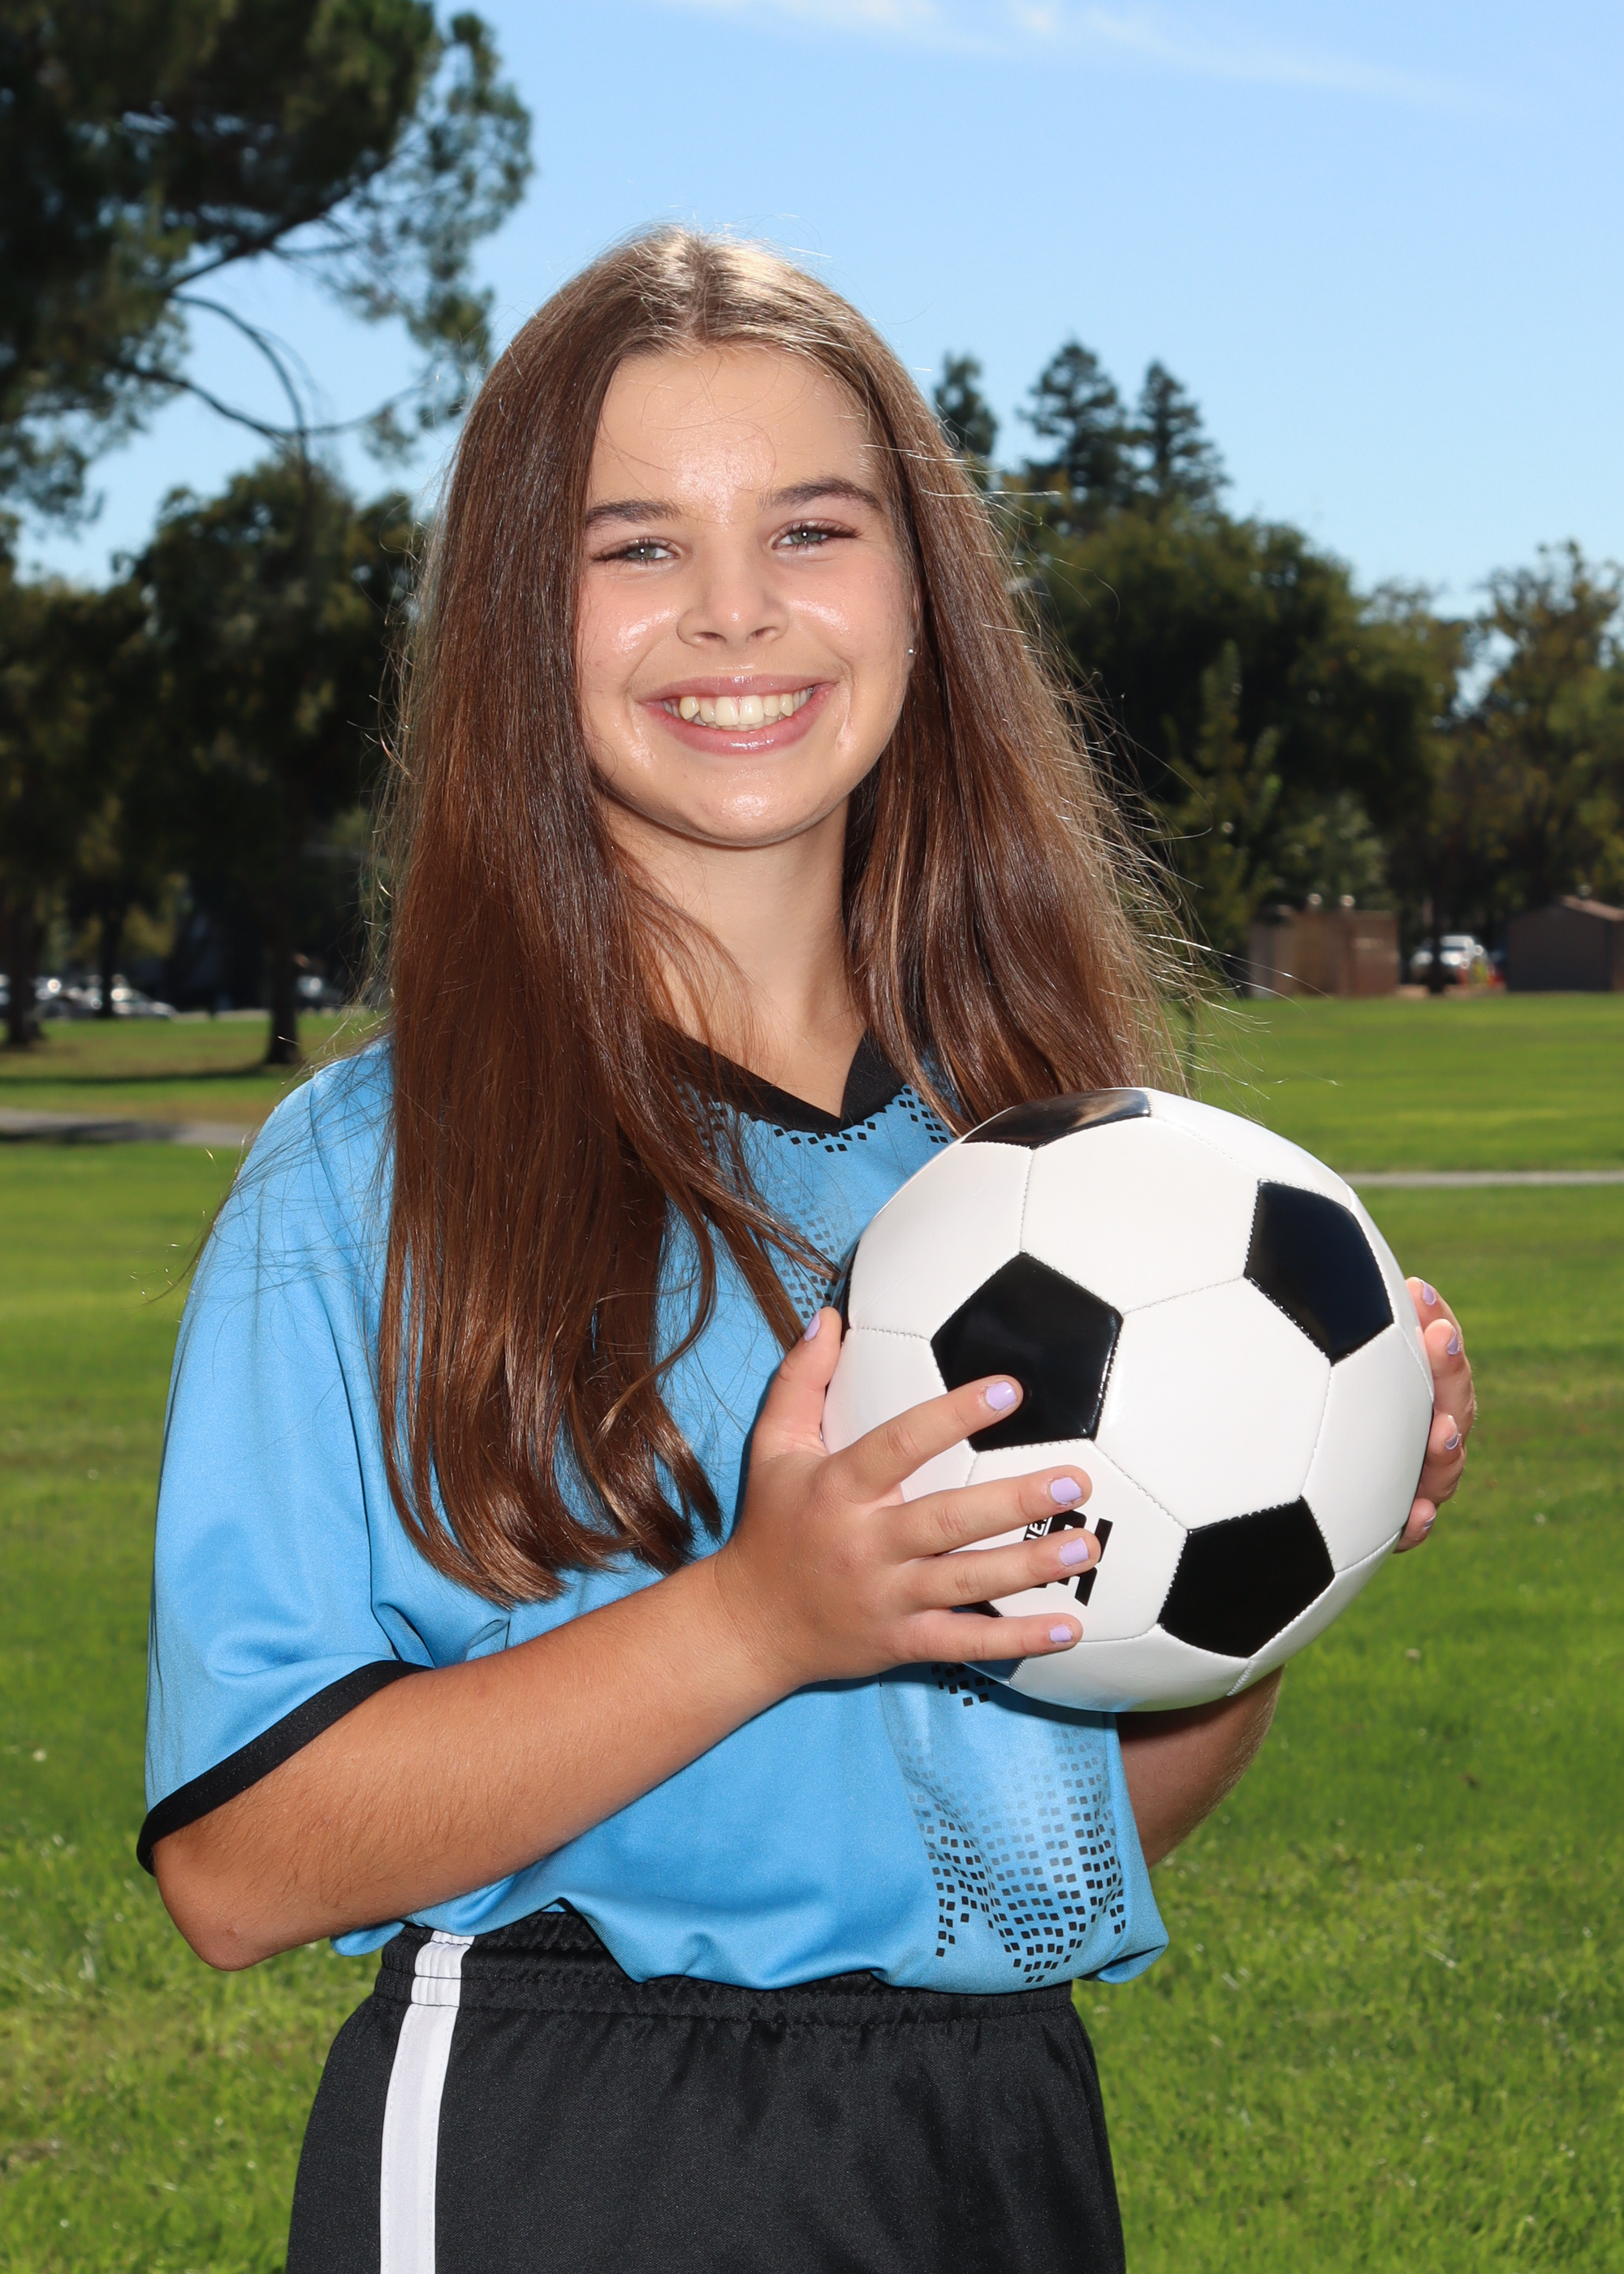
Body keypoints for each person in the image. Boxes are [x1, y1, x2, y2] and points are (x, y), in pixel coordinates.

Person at [140, 231, 1476, 2274]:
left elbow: (1058, 1839)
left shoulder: (1051, 1157)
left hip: (988, 2124)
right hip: (565, 2147)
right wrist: (756, 1621)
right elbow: (240, 1864)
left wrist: (1287, 1525)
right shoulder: (370, 1174)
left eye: (811, 526)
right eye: (634, 546)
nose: (735, 610)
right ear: (516, 618)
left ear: (922, 589)